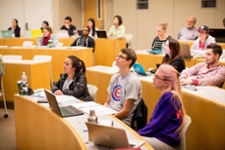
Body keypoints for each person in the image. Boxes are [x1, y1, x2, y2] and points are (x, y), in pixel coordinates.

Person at [138, 64, 186, 150]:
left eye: (157, 77)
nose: (153, 79)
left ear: (166, 83)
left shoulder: (170, 97)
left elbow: (155, 125)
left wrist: (136, 134)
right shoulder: (170, 95)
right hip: (160, 137)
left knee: (129, 142)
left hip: (163, 140)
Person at [104, 48, 142, 126]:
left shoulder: (133, 81)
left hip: (122, 121)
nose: (117, 58)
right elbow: (107, 102)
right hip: (110, 115)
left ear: (129, 61)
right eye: (118, 56)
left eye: (121, 57)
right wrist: (103, 114)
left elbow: (125, 111)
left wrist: (109, 118)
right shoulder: (114, 77)